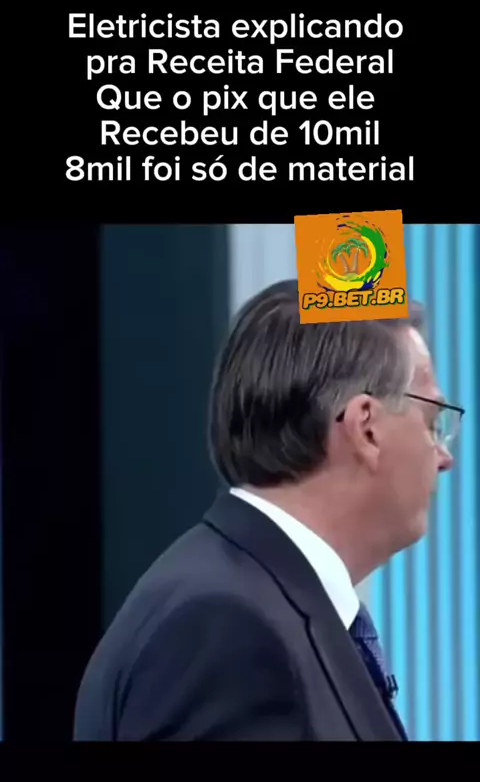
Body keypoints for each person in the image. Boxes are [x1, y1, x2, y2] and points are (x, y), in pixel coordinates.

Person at [73, 280, 463, 741]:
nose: (444, 457)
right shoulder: (226, 627)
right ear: (367, 428)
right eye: (433, 423)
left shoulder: (252, 600)